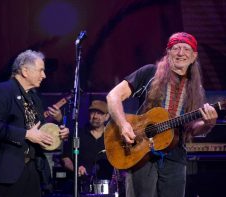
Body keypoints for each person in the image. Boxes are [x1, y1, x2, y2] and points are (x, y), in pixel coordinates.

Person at [106, 32, 218, 197]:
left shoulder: (196, 90)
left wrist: (208, 124)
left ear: (194, 56)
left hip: (176, 157)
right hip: (141, 152)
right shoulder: (149, 73)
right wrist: (123, 125)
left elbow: (193, 129)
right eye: (176, 48)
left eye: (186, 49)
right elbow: (113, 96)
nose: (181, 53)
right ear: (168, 52)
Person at [0, 49, 69, 197]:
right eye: (41, 70)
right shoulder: (1, 90)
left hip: (33, 171)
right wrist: (26, 134)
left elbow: (40, 131)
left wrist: (58, 133)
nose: (44, 75)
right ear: (25, 71)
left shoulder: (34, 98)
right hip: (7, 173)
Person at [62, 100, 113, 193]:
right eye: (93, 112)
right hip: (81, 186)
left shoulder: (112, 137)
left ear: (107, 117)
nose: (95, 116)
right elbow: (66, 158)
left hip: (108, 187)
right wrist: (76, 169)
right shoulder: (77, 134)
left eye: (100, 113)